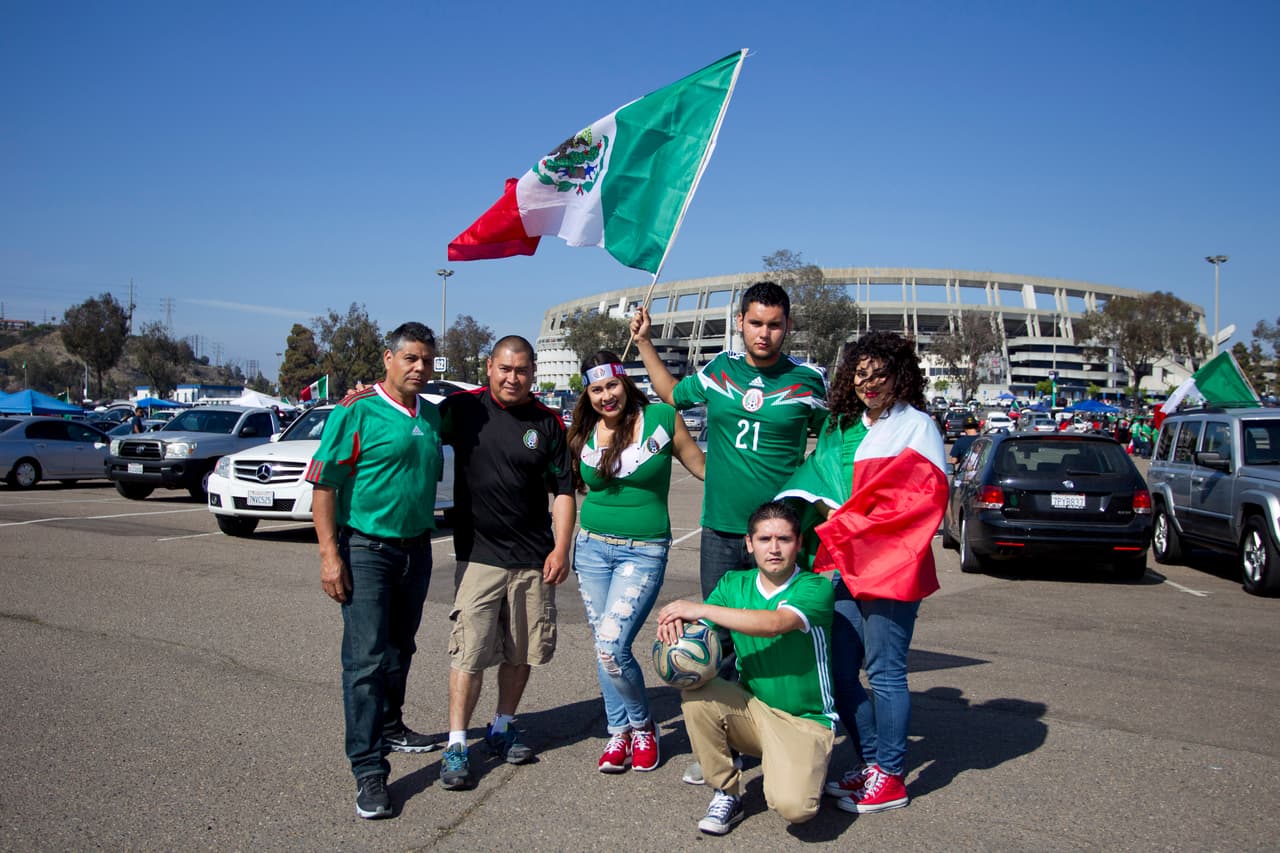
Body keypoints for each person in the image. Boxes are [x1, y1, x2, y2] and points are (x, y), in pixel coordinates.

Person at [631, 280, 828, 784]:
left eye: (775, 325)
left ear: (788, 326)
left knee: (774, 641)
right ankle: (723, 747)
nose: (764, 333)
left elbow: (834, 448)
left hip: (780, 537)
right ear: (740, 322)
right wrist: (646, 342)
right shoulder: (719, 371)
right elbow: (672, 394)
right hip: (721, 530)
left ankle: (778, 734)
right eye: (756, 322)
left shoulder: (809, 381)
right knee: (718, 638)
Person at [777, 331, 948, 814]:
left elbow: (919, 502)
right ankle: (873, 761)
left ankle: (891, 776)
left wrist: (848, 522)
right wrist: (824, 514)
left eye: (880, 374)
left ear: (901, 376)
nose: (868, 383)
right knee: (838, 671)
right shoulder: (845, 427)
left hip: (893, 567)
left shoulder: (917, 427)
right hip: (845, 565)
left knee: (886, 673)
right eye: (860, 374)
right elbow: (819, 479)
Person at [306, 322, 444, 820]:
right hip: (367, 549)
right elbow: (324, 486)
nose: (419, 368)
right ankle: (369, 769)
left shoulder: (431, 414)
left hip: (417, 550)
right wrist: (330, 555)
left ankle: (390, 725)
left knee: (400, 648)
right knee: (365, 661)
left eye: (426, 360)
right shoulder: (357, 410)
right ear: (388, 358)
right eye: (410, 358)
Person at [437, 335, 576, 791]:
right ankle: (458, 744)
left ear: (533, 372)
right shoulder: (461, 409)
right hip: (478, 556)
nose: (512, 378)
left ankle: (502, 726)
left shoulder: (547, 422)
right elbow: (412, 427)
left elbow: (563, 492)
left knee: (522, 651)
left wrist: (560, 549)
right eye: (504, 369)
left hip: (533, 559)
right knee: (470, 653)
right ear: (489, 367)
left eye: (521, 370)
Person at [655, 502, 836, 836]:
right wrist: (675, 626)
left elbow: (774, 623)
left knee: (794, 808)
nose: (774, 548)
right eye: (765, 539)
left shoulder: (815, 587)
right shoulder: (733, 583)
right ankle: (726, 792)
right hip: (754, 710)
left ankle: (803, 766)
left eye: (784, 539)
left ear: (798, 543)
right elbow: (701, 627)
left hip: (805, 721)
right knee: (696, 690)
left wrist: (698, 608)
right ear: (749, 544)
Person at [566, 351, 705, 774]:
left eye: (612, 385)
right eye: (596, 390)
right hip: (591, 549)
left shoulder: (662, 419)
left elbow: (703, 467)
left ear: (625, 383)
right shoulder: (583, 432)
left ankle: (643, 727)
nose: (606, 396)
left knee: (612, 646)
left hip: (642, 551)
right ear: (587, 395)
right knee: (604, 646)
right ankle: (619, 732)